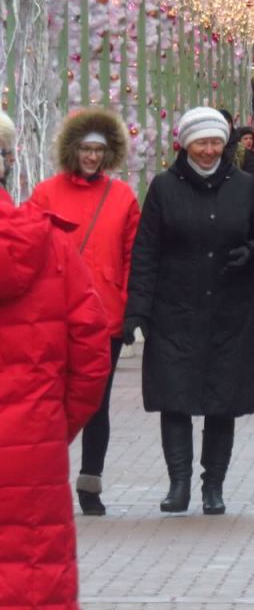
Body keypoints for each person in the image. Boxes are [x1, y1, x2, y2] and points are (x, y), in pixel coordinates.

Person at [124, 106, 254, 515]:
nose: (209, 150)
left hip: (231, 312)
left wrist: (252, 253)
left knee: (221, 401)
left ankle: (214, 486)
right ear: (185, 144)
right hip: (175, 312)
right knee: (174, 398)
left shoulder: (244, 186)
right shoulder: (163, 188)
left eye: (215, 142)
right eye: (201, 142)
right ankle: (179, 484)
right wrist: (137, 312)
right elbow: (146, 254)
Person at [1, 108, 111, 610]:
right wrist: (49, 424)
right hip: (32, 445)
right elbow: (91, 357)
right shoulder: (51, 246)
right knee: (34, 577)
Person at [28, 108, 141, 516]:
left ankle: (90, 483)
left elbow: (133, 257)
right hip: (54, 316)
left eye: (99, 150)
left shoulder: (123, 198)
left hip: (104, 317)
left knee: (96, 404)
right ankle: (44, 481)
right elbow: (31, 253)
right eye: (85, 149)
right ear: (72, 150)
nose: (92, 157)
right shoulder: (45, 194)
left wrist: (131, 309)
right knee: (47, 404)